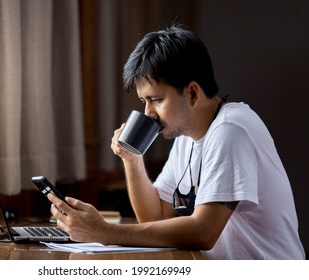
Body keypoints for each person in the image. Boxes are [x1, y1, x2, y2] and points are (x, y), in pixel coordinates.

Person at [48, 26, 305, 259]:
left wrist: (104, 233)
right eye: (143, 101)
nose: (148, 112)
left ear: (192, 93)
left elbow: (204, 232)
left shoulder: (231, 130)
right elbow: (154, 217)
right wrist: (132, 159)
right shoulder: (187, 136)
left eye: (156, 99)